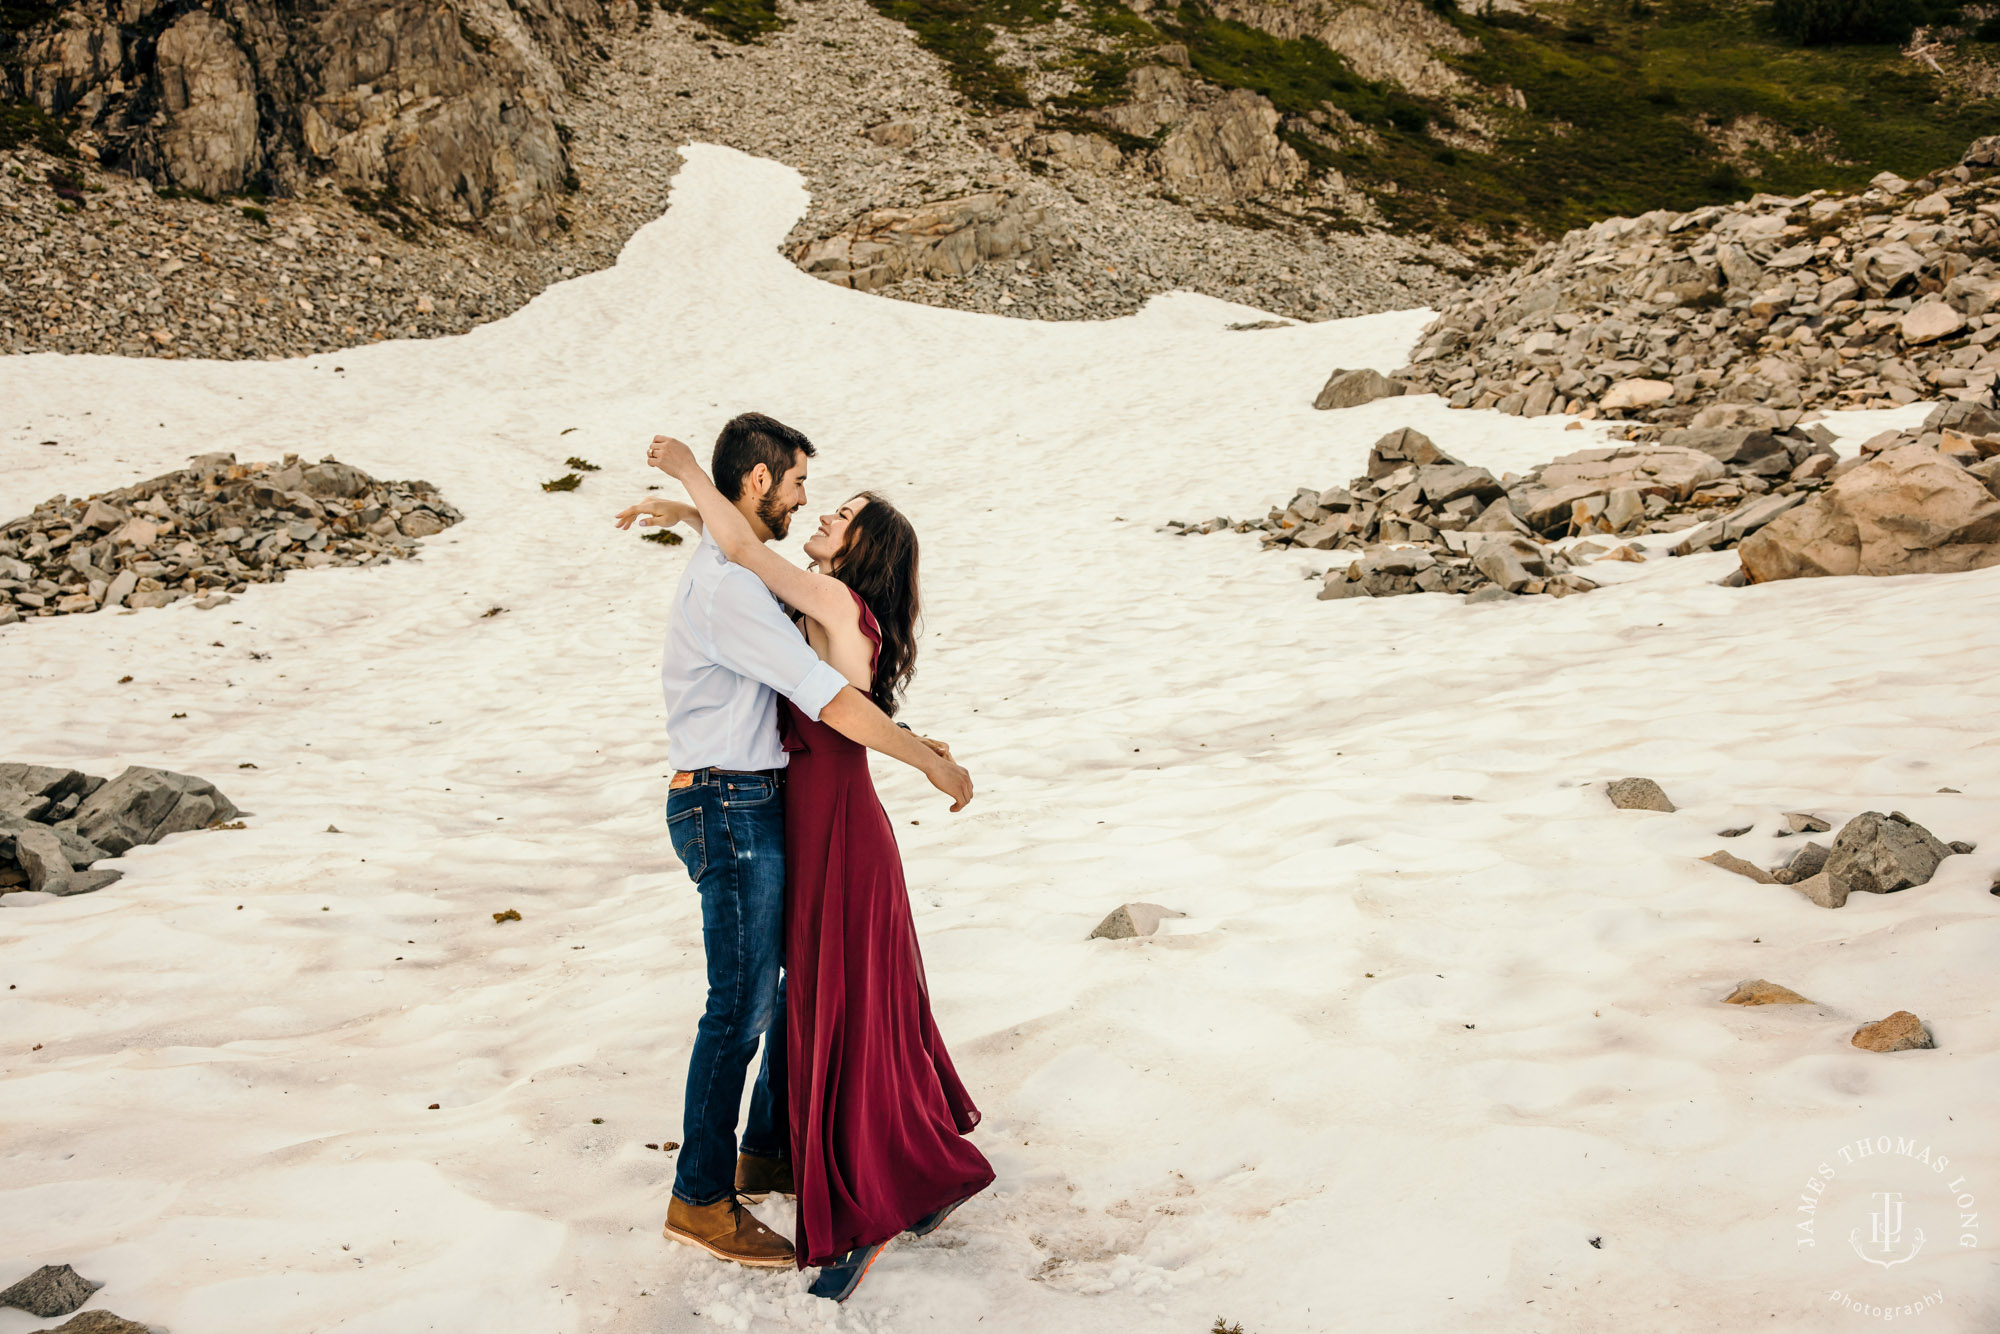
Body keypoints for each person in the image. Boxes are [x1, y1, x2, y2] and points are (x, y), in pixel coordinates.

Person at [640, 433, 997, 1304]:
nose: (821, 507)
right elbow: (744, 553)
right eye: (813, 491)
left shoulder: (826, 594)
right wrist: (692, 505)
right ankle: (775, 1150)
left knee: (827, 996)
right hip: (790, 811)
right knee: (801, 994)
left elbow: (757, 564)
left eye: (841, 513)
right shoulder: (800, 593)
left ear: (860, 549)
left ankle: (863, 1167)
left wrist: (690, 473)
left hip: (829, 822)